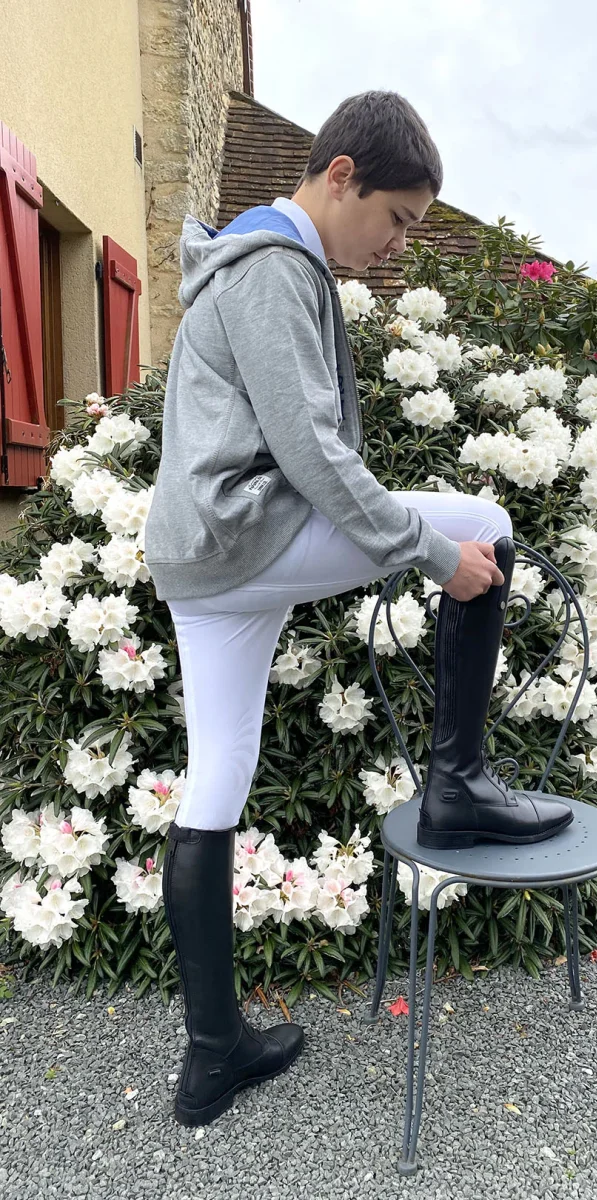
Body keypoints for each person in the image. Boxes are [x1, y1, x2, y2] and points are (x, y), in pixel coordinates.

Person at [144, 89, 573, 1129]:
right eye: (397, 218)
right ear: (340, 176)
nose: (397, 245)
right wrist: (431, 557)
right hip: (247, 533)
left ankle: (213, 1057)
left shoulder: (249, 263)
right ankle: (458, 786)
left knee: (217, 777)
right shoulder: (273, 269)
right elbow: (313, 454)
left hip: (201, 557)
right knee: (483, 523)